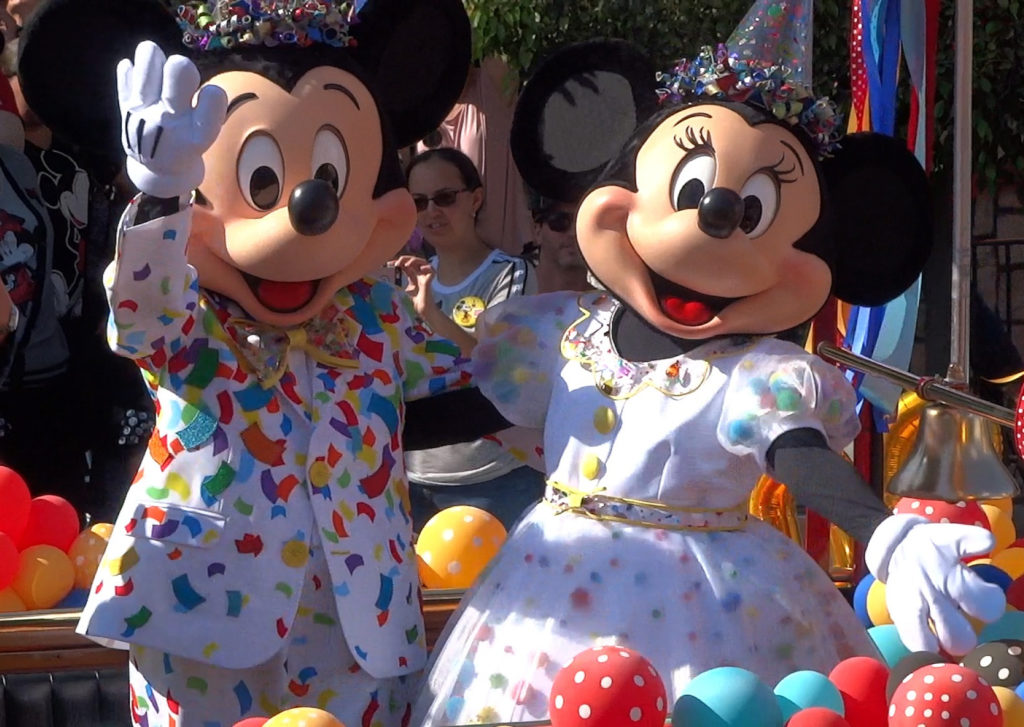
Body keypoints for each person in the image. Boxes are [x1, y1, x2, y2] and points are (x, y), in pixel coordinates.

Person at [411, 38, 1003, 724]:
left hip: (712, 596)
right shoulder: (564, 336)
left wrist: (883, 534)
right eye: (691, 192)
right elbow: (475, 409)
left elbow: (801, 457)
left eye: (752, 213)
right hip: (553, 573)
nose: (715, 220)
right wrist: (370, 427)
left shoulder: (756, 374)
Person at [393, 147, 545, 530]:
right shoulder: (406, 282)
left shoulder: (513, 274)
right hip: (413, 480)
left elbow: (497, 366)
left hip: (493, 480)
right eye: (419, 202)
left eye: (445, 198)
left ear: (475, 199)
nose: (432, 212)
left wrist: (431, 314)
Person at [523, 189, 590, 294]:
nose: (573, 233)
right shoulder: (509, 293)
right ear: (537, 231)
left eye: (583, 221)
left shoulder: (614, 304)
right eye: (560, 222)